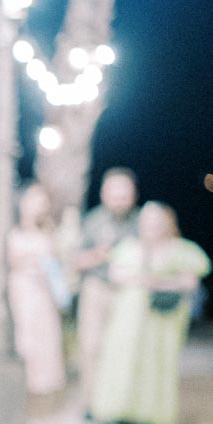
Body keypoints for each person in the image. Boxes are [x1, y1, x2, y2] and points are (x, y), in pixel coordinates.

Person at [90, 202, 210, 424]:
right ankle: (116, 410)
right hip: (129, 317)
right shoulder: (129, 247)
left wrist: (155, 281)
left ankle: (151, 416)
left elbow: (190, 281)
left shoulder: (181, 249)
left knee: (157, 364)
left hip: (162, 320)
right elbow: (116, 275)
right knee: (122, 360)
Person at [76, 167, 139, 404]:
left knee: (126, 348)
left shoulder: (140, 221)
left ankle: (121, 402)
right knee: (91, 346)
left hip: (131, 291)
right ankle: (91, 402)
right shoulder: (92, 221)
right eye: (116, 192)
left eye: (125, 193)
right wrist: (98, 255)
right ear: (104, 193)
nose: (121, 199)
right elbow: (74, 260)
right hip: (97, 287)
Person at [7, 183, 66, 396]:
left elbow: (55, 266)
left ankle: (38, 391)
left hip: (43, 295)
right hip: (19, 292)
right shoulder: (8, 230)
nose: (39, 206)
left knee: (43, 340)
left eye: (43, 202)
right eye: (34, 200)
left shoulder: (49, 233)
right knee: (22, 339)